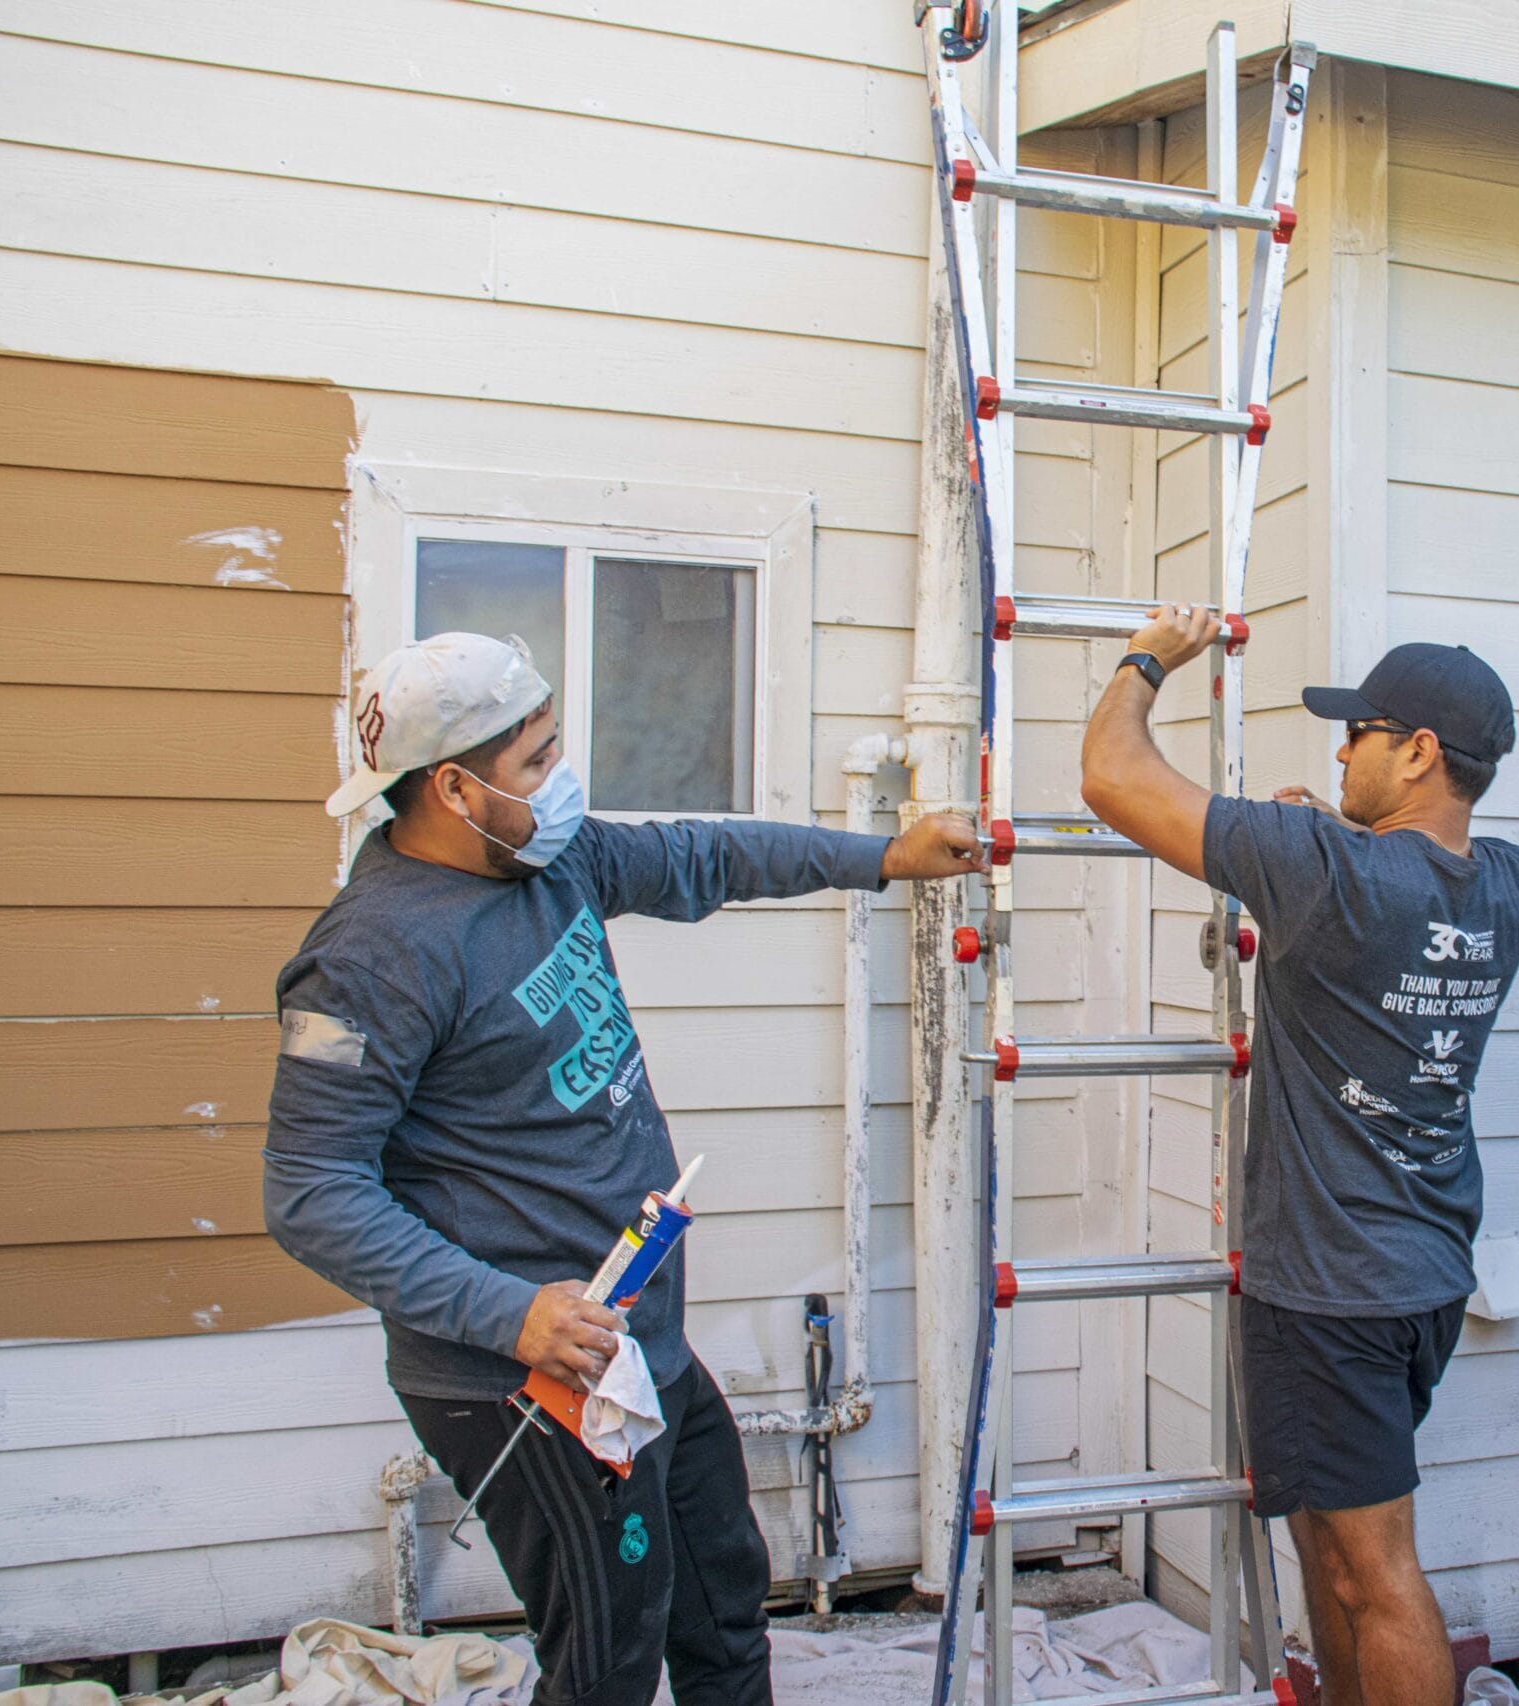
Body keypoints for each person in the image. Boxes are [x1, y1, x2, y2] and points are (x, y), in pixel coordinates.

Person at [264, 631, 986, 1706]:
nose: (560, 781)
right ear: (453, 786)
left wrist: (880, 856)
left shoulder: (546, 860)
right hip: (523, 1379)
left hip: (634, 1340)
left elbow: (701, 856)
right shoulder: (372, 956)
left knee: (721, 1601)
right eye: (536, 762)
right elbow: (311, 1193)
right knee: (606, 1662)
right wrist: (513, 1313)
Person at [1081, 609, 1519, 1706]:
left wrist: (1149, 658)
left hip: (1329, 1290)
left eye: (1361, 732)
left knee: (1375, 1572)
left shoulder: (1326, 872)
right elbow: (1393, 887)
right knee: (1336, 1556)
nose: (1340, 752)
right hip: (1421, 1272)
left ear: (1420, 749)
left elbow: (1110, 773)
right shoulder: (1511, 885)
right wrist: (1308, 840)